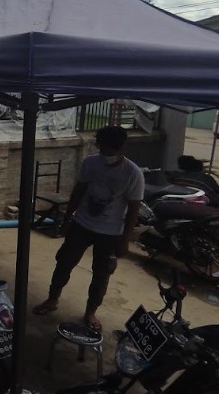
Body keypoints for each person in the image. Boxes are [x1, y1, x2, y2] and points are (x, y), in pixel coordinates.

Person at [33, 126, 144, 332]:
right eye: (101, 147)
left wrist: (125, 240)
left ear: (120, 148)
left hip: (110, 232)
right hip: (82, 224)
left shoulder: (132, 173)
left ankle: (90, 312)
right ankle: (52, 299)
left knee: (101, 274)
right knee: (64, 262)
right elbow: (78, 191)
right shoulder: (91, 163)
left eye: (109, 149)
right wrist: (67, 219)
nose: (105, 153)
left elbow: (133, 209)